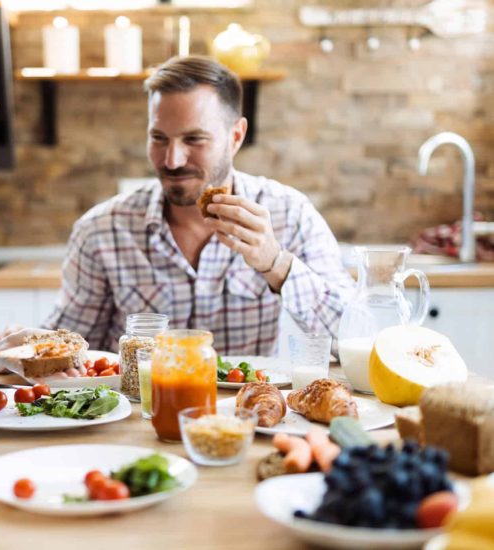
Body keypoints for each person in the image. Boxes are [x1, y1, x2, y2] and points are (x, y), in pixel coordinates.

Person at [44, 55, 355, 356]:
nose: (172, 160)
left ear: (235, 136)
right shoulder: (101, 231)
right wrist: (21, 347)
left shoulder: (291, 215)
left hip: (243, 408)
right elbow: (69, 354)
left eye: (194, 139)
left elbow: (354, 338)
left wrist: (276, 264)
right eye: (159, 138)